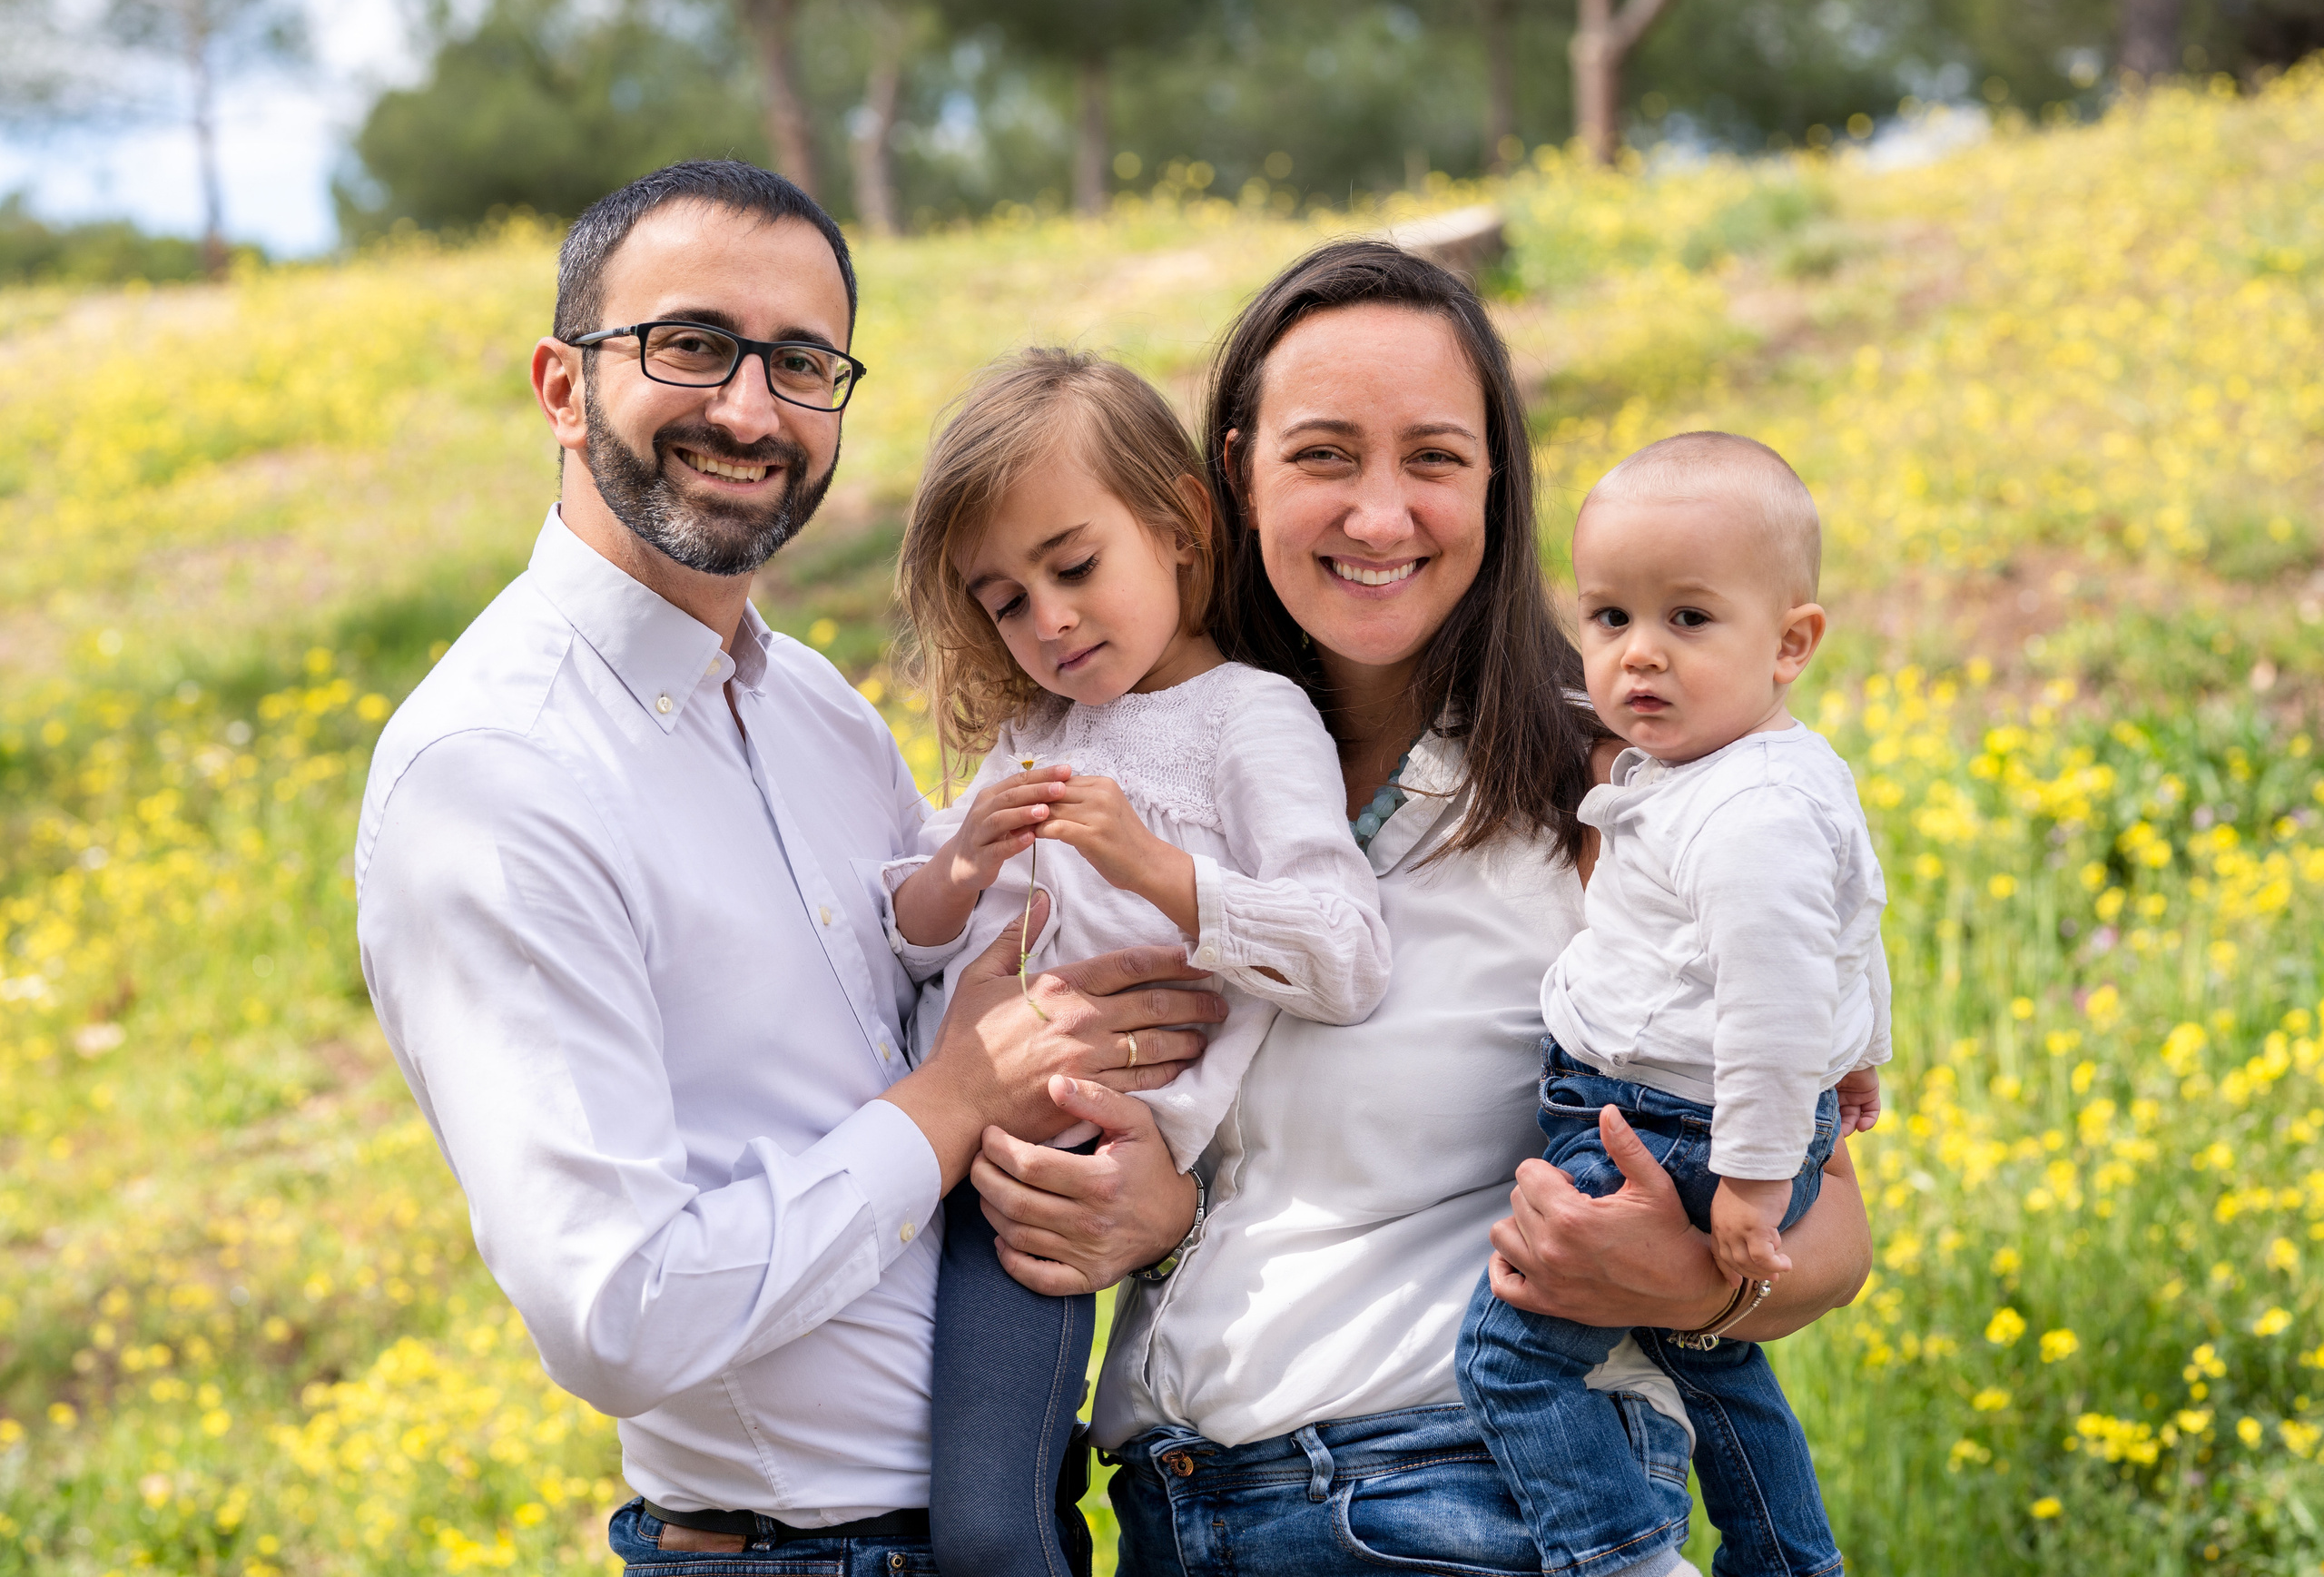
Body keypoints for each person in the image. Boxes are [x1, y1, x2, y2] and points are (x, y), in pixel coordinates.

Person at [352, 161, 1228, 1576]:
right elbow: (615, 1309)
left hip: (1017, 1523)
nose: (751, 410)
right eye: (692, 345)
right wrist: (951, 1099)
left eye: (803, 363)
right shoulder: (499, 770)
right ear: (564, 386)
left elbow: (960, 989)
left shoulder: (814, 706)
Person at [963, 241, 1877, 1574]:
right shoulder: (1126, 755)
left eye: (1436, 459)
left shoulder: (1618, 791)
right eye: (1325, 454)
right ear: (1231, 476)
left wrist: (1690, 1283)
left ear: (1498, 489)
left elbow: (1830, 1210)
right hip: (1170, 1516)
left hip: (1465, 1502)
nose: (1381, 516)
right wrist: (1140, 1205)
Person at [883, 349, 1391, 1575]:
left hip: (1061, 1171)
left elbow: (1346, 949)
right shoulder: (1035, 732)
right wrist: (956, 875)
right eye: (1004, 598)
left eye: (1074, 565)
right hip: (945, 1137)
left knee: (994, 1527)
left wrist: (1155, 866)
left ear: (1174, 524)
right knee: (980, 1504)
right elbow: (901, 926)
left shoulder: (1250, 717)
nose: (1047, 621)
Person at [1455, 430, 1890, 1577]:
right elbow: (1846, 930)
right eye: (1608, 619)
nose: (1638, 655)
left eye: (1688, 620)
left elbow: (1770, 1000)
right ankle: (1788, 1555)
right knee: (1716, 1367)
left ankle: (1615, 1554)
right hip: (1701, 1116)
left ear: (1791, 640)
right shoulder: (1771, 769)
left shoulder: (1741, 812)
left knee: (1510, 1356)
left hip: (1676, 1129)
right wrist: (1857, 1057)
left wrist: (1751, 1178)